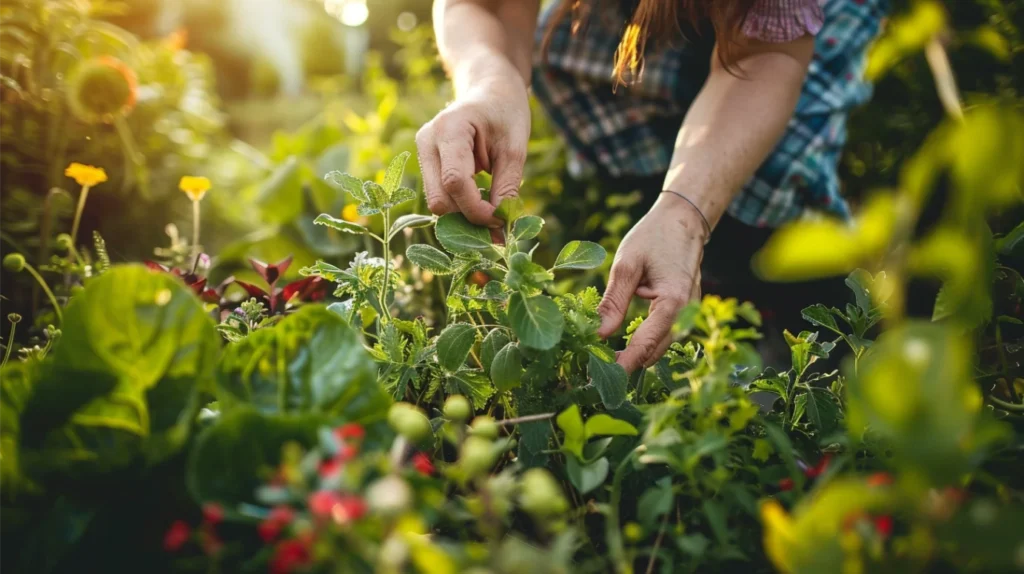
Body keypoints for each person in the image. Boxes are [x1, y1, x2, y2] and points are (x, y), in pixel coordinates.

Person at [416, 0, 887, 372]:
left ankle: (787, 301)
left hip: (785, 27)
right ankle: (669, 238)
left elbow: (769, 53)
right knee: (565, 52)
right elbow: (483, 5)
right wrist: (490, 84)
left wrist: (687, 212)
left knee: (780, 156)